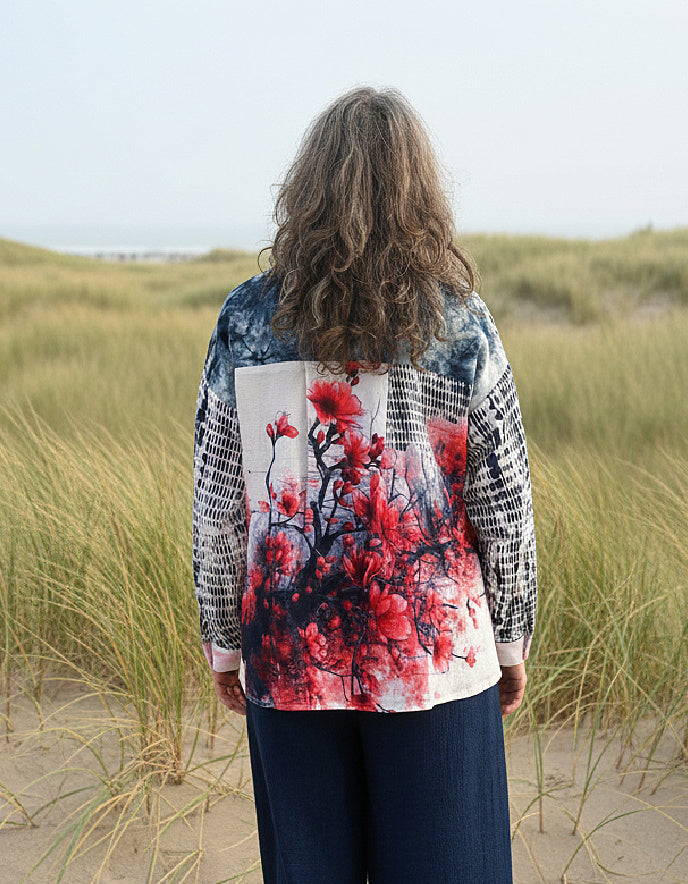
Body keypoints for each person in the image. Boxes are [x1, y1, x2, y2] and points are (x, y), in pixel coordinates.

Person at [193, 86, 536, 884]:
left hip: (288, 652)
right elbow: (506, 505)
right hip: (436, 662)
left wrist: (223, 639)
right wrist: (511, 640)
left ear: (306, 192)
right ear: (419, 192)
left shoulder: (244, 320)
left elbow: (217, 505)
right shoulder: (459, 321)